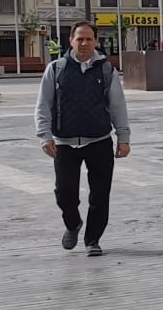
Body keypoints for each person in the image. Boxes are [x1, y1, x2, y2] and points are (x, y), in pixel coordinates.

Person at [34, 22, 131, 257]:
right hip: (65, 142)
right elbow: (43, 104)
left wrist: (123, 137)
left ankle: (93, 240)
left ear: (96, 41)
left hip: (99, 140)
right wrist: (44, 135)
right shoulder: (56, 68)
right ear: (71, 41)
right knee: (64, 193)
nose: (84, 43)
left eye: (89, 39)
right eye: (80, 39)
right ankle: (73, 223)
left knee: (100, 194)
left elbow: (117, 105)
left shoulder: (106, 69)